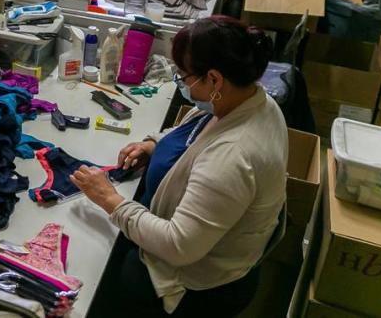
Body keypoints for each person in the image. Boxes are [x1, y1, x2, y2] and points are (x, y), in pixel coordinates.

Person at [71, 16, 286, 317]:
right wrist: (155, 145)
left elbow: (178, 245)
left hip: (191, 286)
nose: (183, 84)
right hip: (187, 243)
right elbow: (200, 130)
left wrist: (109, 199)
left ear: (214, 79)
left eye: (185, 77)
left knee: (92, 279)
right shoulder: (249, 99)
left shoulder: (234, 156)